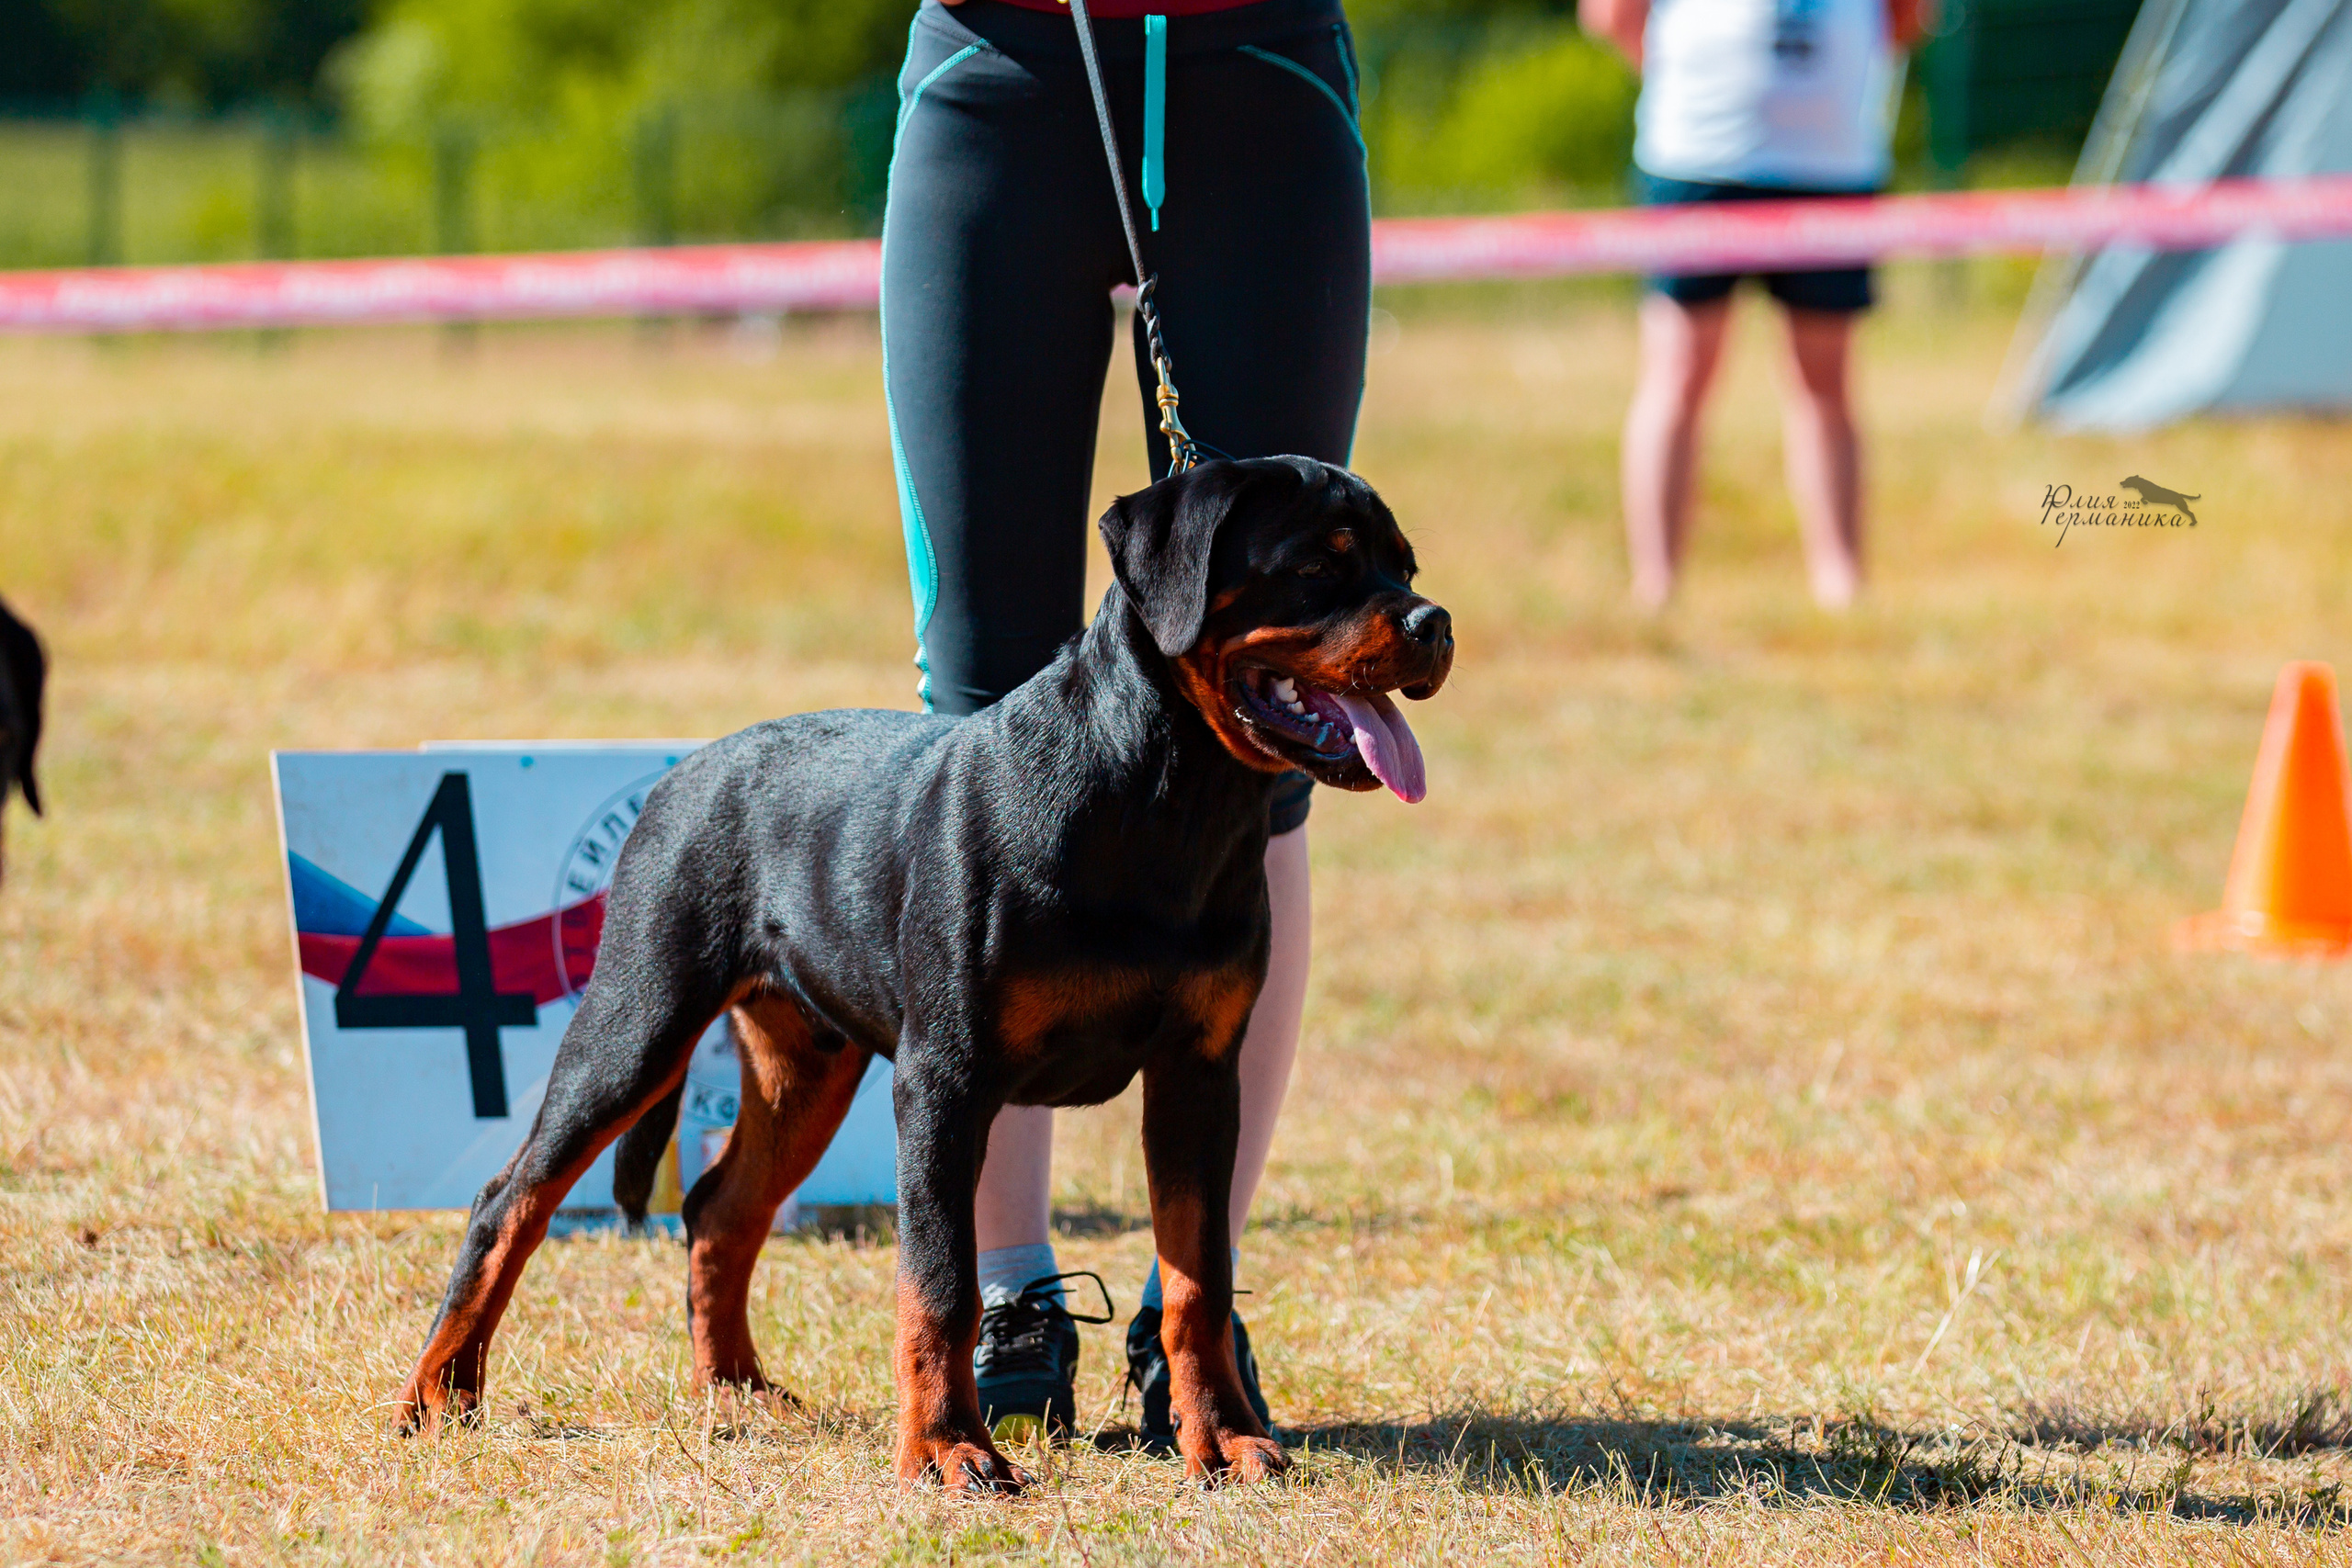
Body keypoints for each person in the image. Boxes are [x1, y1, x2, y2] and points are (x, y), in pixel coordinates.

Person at [877, 0, 1370, 1443]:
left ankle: (1194, 1307)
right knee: (977, 697)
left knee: (1266, 718)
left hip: (1258, 79)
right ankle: (1007, 1289)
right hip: (999, 72)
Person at [1580, 0, 1932, 608]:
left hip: (1832, 162)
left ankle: (1841, 584)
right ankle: (1657, 587)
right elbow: (1612, 15)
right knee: (1679, 375)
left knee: (1827, 381)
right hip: (1696, 158)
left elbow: (1906, 18)